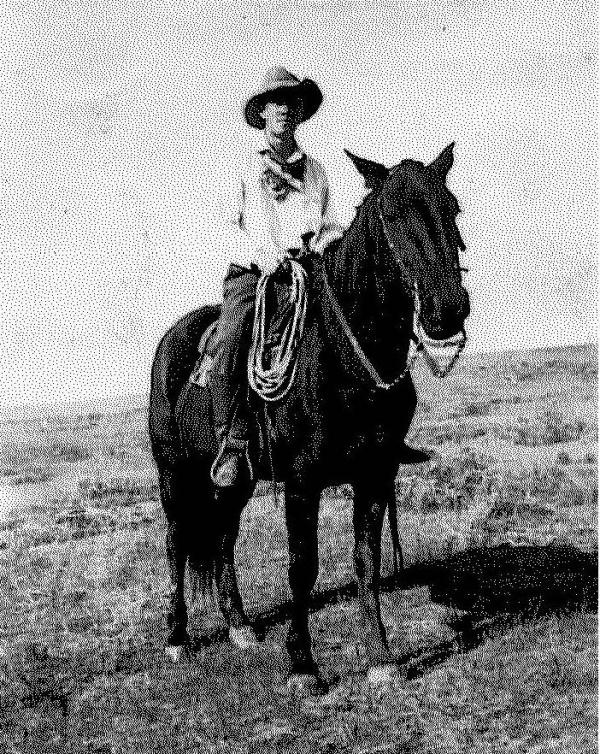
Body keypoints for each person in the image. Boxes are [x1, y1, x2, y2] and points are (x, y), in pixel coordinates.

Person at [210, 66, 344, 487]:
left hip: (305, 274)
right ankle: (232, 442)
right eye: (277, 103)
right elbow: (226, 226)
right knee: (232, 335)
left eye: (293, 103)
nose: (286, 110)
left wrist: (323, 244)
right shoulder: (244, 167)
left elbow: (330, 223)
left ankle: (363, 432)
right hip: (255, 275)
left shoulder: (317, 170)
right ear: (263, 113)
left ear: (302, 113)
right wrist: (266, 256)